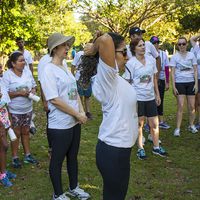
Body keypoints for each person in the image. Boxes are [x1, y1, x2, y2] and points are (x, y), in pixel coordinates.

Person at [81, 32, 138, 200]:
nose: (127, 57)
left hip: (121, 149)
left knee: (116, 196)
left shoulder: (115, 78)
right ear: (111, 54)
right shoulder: (107, 78)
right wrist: (93, 49)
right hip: (113, 150)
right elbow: (105, 40)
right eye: (124, 52)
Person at [40, 33, 90, 200]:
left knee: (73, 157)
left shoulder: (65, 67)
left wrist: (81, 112)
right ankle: (58, 194)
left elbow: (74, 92)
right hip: (59, 124)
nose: (68, 48)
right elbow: (54, 99)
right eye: (64, 45)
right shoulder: (48, 69)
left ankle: (73, 187)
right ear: (55, 48)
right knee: (57, 160)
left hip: (74, 122)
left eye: (68, 45)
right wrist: (77, 114)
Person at [124, 38, 167, 160]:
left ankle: (156, 147)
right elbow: (127, 82)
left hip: (150, 97)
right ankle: (140, 148)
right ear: (134, 49)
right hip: (137, 98)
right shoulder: (130, 63)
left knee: (154, 123)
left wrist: (157, 95)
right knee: (139, 124)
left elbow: (154, 79)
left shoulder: (151, 60)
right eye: (139, 46)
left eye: (143, 45)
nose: (143, 47)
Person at [2, 51, 38, 168]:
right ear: (13, 63)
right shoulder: (7, 75)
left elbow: (34, 85)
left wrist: (33, 90)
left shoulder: (27, 72)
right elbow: (4, 94)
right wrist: (19, 93)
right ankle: (15, 158)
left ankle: (27, 155)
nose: (24, 62)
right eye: (21, 60)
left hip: (27, 108)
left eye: (24, 60)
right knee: (16, 133)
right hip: (14, 110)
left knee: (26, 131)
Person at [127, 27, 161, 133]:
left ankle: (152, 134)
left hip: (150, 81)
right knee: (139, 118)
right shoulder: (127, 48)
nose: (141, 36)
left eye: (141, 34)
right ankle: (140, 139)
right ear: (132, 37)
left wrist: (157, 74)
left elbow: (157, 57)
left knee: (152, 117)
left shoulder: (148, 44)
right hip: (136, 87)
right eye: (138, 34)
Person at [170, 37, 198, 136]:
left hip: (190, 82)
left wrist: (196, 84)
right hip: (180, 83)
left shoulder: (191, 55)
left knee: (191, 106)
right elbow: (172, 73)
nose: (181, 46)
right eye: (179, 44)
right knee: (180, 106)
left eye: (183, 44)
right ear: (177, 46)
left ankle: (191, 125)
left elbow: (195, 70)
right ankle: (177, 128)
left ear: (187, 44)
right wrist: (173, 86)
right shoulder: (174, 57)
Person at [0, 68, 17, 187]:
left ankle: (3, 170)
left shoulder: (1, 81)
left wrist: (8, 117)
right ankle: (2, 175)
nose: (1, 68)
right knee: (4, 146)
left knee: (3, 148)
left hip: (4, 116)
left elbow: (5, 102)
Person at [150, 36, 170, 129]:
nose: (156, 45)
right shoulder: (148, 54)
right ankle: (149, 123)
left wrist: (167, 82)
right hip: (150, 81)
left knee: (160, 99)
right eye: (154, 43)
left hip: (161, 79)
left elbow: (166, 68)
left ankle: (161, 121)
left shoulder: (163, 54)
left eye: (158, 43)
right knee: (150, 101)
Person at [71, 50, 93, 119]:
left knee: (87, 96)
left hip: (88, 79)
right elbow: (73, 65)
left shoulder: (92, 54)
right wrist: (72, 77)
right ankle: (81, 111)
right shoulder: (79, 54)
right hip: (79, 78)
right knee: (79, 96)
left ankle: (88, 112)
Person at [190, 34, 200, 128]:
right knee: (197, 100)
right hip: (197, 78)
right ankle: (198, 121)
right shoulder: (197, 48)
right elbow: (192, 39)